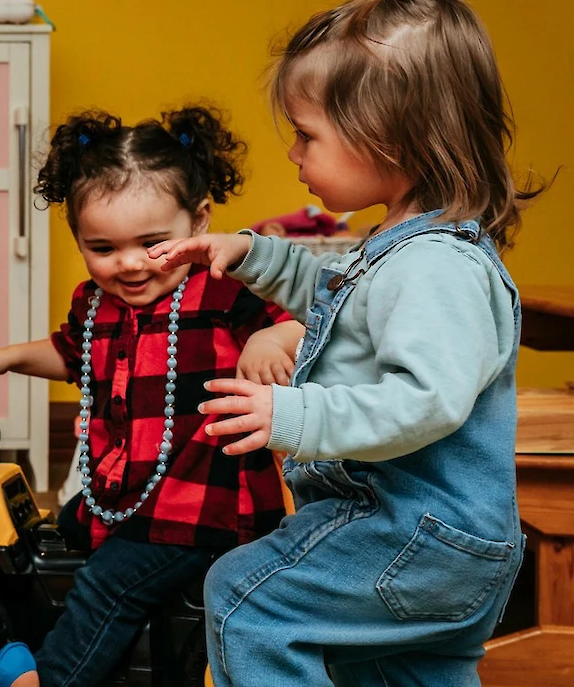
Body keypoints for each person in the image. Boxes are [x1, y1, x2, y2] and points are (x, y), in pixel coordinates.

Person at [150, 1, 547, 683]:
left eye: (307, 134)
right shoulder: (409, 248)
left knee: (245, 601)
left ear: (392, 136)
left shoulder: (434, 267)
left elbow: (426, 400)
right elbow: (335, 296)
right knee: (399, 667)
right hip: (440, 546)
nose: (293, 152)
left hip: (413, 536)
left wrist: (293, 415)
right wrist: (247, 253)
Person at [0, 106, 301, 687]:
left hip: (201, 511)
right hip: (125, 496)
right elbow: (72, 355)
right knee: (57, 536)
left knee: (110, 583)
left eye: (153, 243)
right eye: (103, 247)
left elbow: (304, 325)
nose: (129, 264)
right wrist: (6, 357)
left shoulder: (227, 290)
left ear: (199, 220)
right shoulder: (94, 301)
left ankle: (54, 679)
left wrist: (271, 336)